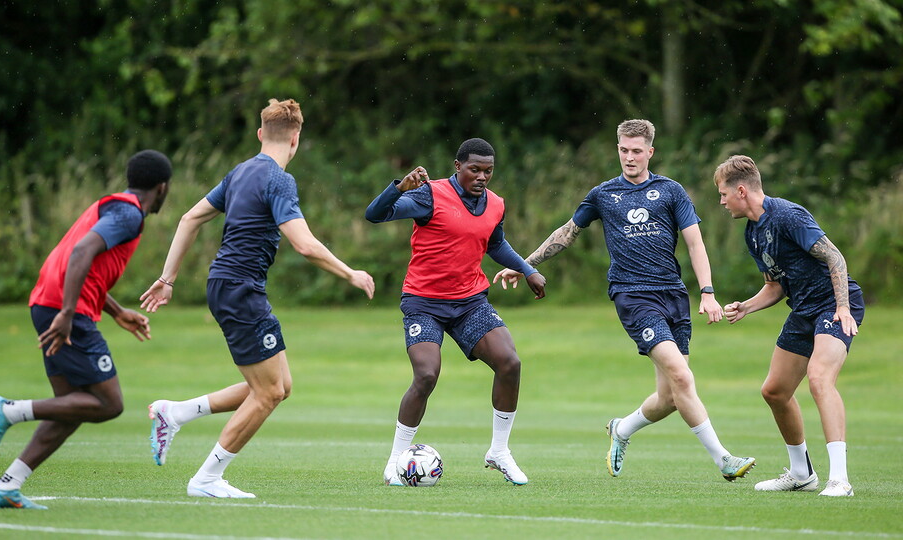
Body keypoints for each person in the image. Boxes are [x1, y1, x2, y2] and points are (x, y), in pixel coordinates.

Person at [139, 98, 375, 499]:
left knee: (280, 385)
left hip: (231, 286)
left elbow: (188, 218)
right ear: (296, 139)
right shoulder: (279, 180)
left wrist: (168, 278)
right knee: (267, 392)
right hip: (239, 289)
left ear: (260, 133)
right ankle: (207, 479)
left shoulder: (240, 171)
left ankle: (175, 412)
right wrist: (350, 272)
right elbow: (304, 245)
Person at [496, 120, 756, 482]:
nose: (629, 157)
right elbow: (567, 233)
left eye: (637, 151)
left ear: (650, 151)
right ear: (617, 148)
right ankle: (724, 460)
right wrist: (524, 265)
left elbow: (695, 244)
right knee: (683, 376)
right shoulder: (604, 194)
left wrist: (707, 291)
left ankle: (622, 429)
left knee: (669, 396)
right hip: (633, 296)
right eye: (623, 150)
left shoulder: (671, 191)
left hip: (673, 295)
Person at [0, 150, 173, 509]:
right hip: (65, 311)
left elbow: (89, 265)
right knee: (108, 404)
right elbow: (83, 251)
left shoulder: (115, 205)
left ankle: (7, 486)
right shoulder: (129, 213)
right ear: (162, 188)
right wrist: (68, 313)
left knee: (71, 407)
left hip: (47, 303)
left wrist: (115, 311)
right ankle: (8, 411)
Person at [364, 137, 546, 486]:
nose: (481, 177)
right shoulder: (429, 195)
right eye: (474, 169)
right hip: (423, 302)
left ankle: (499, 452)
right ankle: (395, 461)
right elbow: (375, 215)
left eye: (488, 171)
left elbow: (495, 244)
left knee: (510, 363)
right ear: (457, 166)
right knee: (427, 375)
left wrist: (527, 269)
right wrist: (400, 187)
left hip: (469, 302)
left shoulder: (495, 204)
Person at [713, 155, 863, 497]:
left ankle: (839, 479)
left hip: (835, 304)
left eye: (723, 194)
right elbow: (775, 285)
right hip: (804, 309)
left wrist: (842, 307)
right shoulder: (752, 233)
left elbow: (834, 257)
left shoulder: (787, 216)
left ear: (740, 190)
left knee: (819, 378)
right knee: (775, 391)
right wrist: (746, 307)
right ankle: (801, 473)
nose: (721, 202)